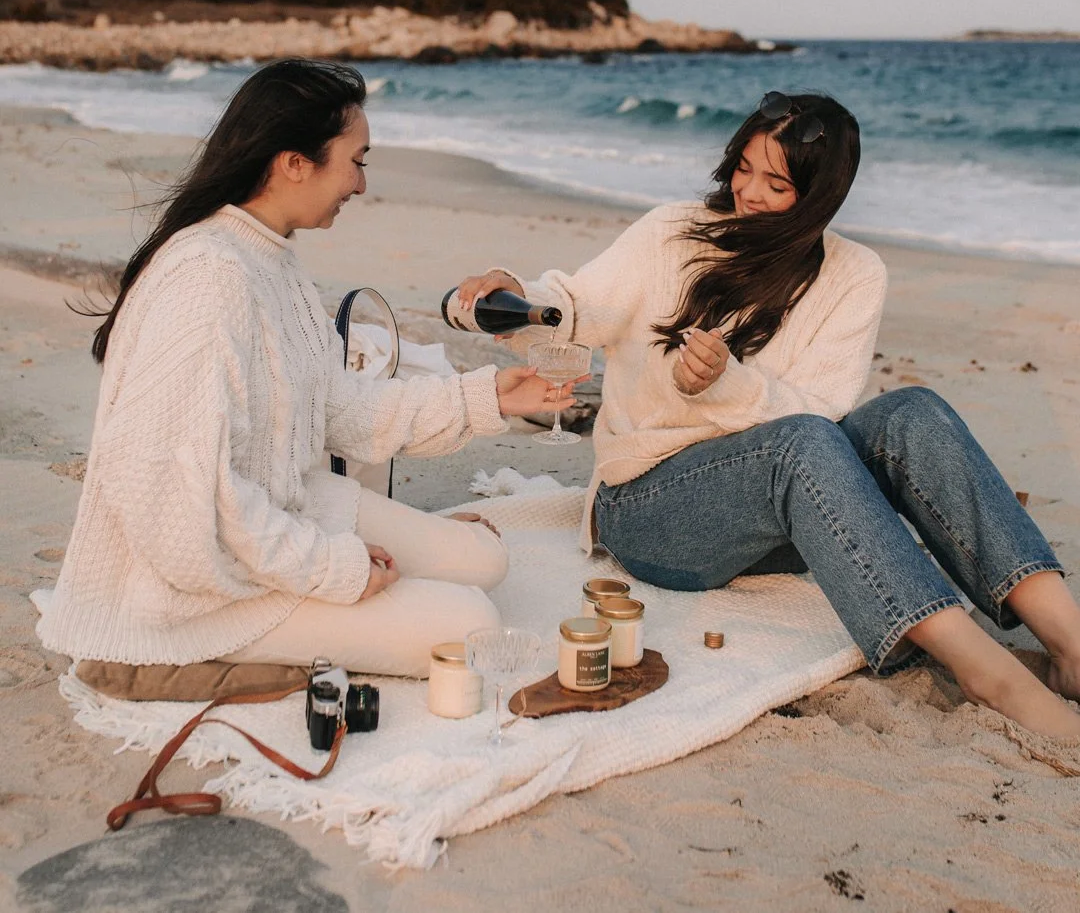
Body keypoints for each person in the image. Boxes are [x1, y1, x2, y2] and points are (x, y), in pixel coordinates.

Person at [456, 91, 1080, 739]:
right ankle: (986, 672)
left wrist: (729, 384)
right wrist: (514, 294)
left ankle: (1069, 649)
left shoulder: (854, 274)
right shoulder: (675, 232)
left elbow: (823, 411)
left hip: (779, 513)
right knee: (799, 446)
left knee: (912, 414)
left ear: (819, 196)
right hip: (649, 508)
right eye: (743, 167)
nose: (749, 191)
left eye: (775, 182)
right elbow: (572, 307)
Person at [38, 59, 578, 678]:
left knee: (485, 560)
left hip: (283, 508)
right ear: (295, 162)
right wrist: (334, 567)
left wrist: (489, 399)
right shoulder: (208, 277)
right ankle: (199, 650)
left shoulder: (274, 260)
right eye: (358, 160)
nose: (361, 184)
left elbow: (334, 409)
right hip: (199, 584)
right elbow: (172, 500)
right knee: (471, 624)